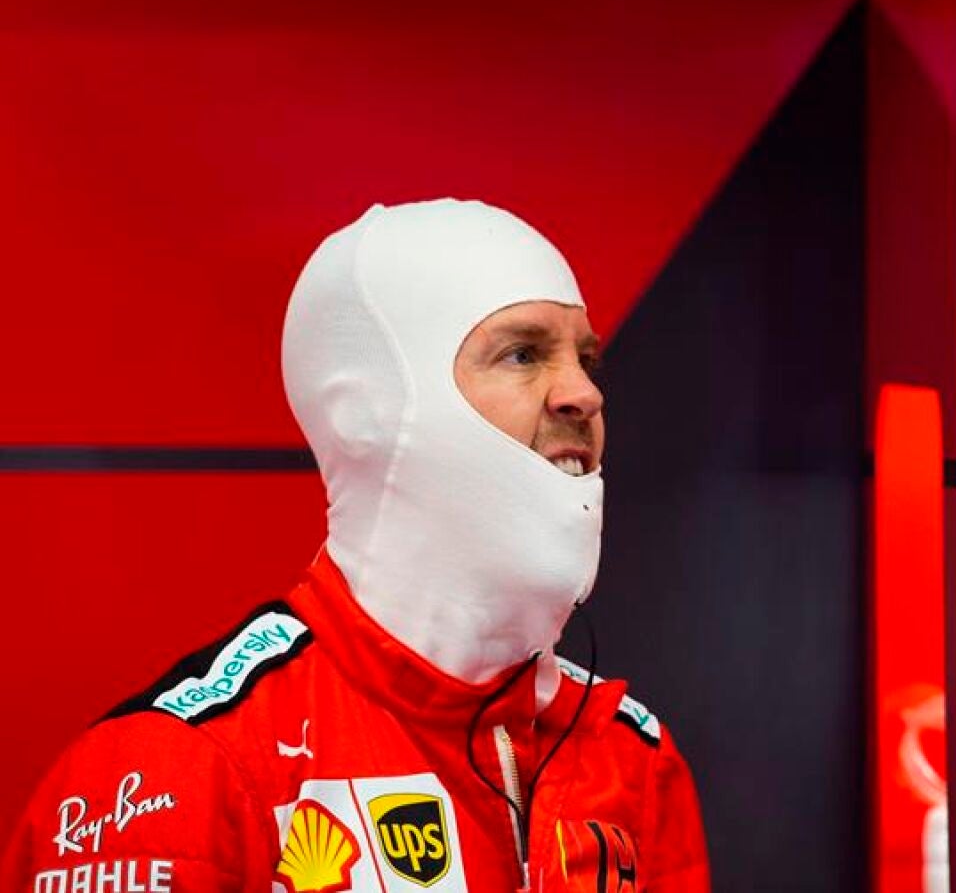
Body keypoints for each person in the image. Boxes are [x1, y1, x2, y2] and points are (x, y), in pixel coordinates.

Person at [2, 199, 710, 892]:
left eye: (586, 361)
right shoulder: (178, 771)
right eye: (522, 354)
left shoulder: (633, 759)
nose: (584, 394)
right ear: (364, 413)